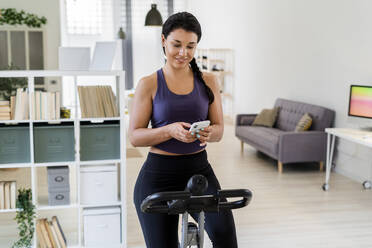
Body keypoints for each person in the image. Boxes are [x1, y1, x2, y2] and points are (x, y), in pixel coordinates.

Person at [129, 12, 237, 248]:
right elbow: (135, 136)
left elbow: (219, 130)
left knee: (226, 237)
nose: (183, 52)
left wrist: (210, 133)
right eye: (176, 45)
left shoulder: (209, 81)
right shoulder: (148, 83)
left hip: (199, 171)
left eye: (191, 46)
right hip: (158, 176)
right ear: (163, 41)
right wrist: (168, 131)